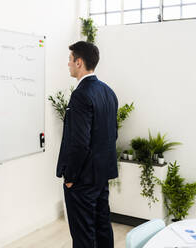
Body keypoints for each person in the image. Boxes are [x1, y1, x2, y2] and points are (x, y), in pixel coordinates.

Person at [56, 41, 118, 248]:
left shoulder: (81, 94)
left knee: (83, 236)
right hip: (101, 175)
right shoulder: (108, 92)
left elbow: (79, 143)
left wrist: (70, 178)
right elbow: (112, 135)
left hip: (83, 179)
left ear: (79, 62)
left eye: (70, 60)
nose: (68, 64)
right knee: (102, 228)